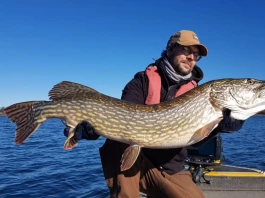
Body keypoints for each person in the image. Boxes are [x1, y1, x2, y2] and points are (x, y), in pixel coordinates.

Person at [64, 30, 245, 198]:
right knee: (117, 140)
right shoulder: (141, 82)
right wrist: (92, 127)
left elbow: (195, 139)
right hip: (132, 164)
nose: (191, 57)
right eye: (186, 50)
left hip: (170, 169)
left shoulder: (200, 96)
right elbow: (124, 117)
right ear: (170, 49)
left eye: (196, 55)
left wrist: (219, 128)